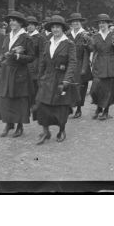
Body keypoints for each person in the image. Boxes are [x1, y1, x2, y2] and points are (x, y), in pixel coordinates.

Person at [35, 15, 77, 144]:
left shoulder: (69, 43)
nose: (55, 29)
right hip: (47, 78)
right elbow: (43, 61)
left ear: (63, 28)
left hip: (61, 78)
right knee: (42, 105)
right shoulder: (48, 42)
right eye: (53, 27)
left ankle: (61, 130)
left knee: (60, 108)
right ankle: (45, 131)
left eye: (58, 27)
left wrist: (66, 80)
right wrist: (40, 76)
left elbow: (72, 63)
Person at [0, 11, 35, 137]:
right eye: (10, 20)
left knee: (18, 99)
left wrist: (18, 56)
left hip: (19, 73)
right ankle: (8, 123)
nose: (12, 23)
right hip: (6, 71)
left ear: (21, 23)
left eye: (15, 20)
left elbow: (32, 57)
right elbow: (3, 51)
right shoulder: (7, 36)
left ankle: (20, 126)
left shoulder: (26, 38)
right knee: (3, 99)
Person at [89, 13, 114, 120]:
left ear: (108, 24)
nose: (101, 25)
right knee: (95, 89)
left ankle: (106, 111)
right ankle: (99, 107)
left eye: (103, 23)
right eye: (99, 23)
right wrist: (87, 44)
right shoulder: (95, 36)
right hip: (99, 64)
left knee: (109, 89)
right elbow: (91, 49)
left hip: (111, 65)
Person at [66, 12, 92, 118]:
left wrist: (87, 43)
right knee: (68, 85)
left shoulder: (85, 34)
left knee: (80, 87)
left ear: (80, 22)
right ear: (71, 23)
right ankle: (69, 106)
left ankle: (79, 108)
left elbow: (91, 49)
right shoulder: (68, 34)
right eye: (73, 22)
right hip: (69, 63)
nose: (75, 23)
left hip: (81, 63)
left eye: (77, 21)